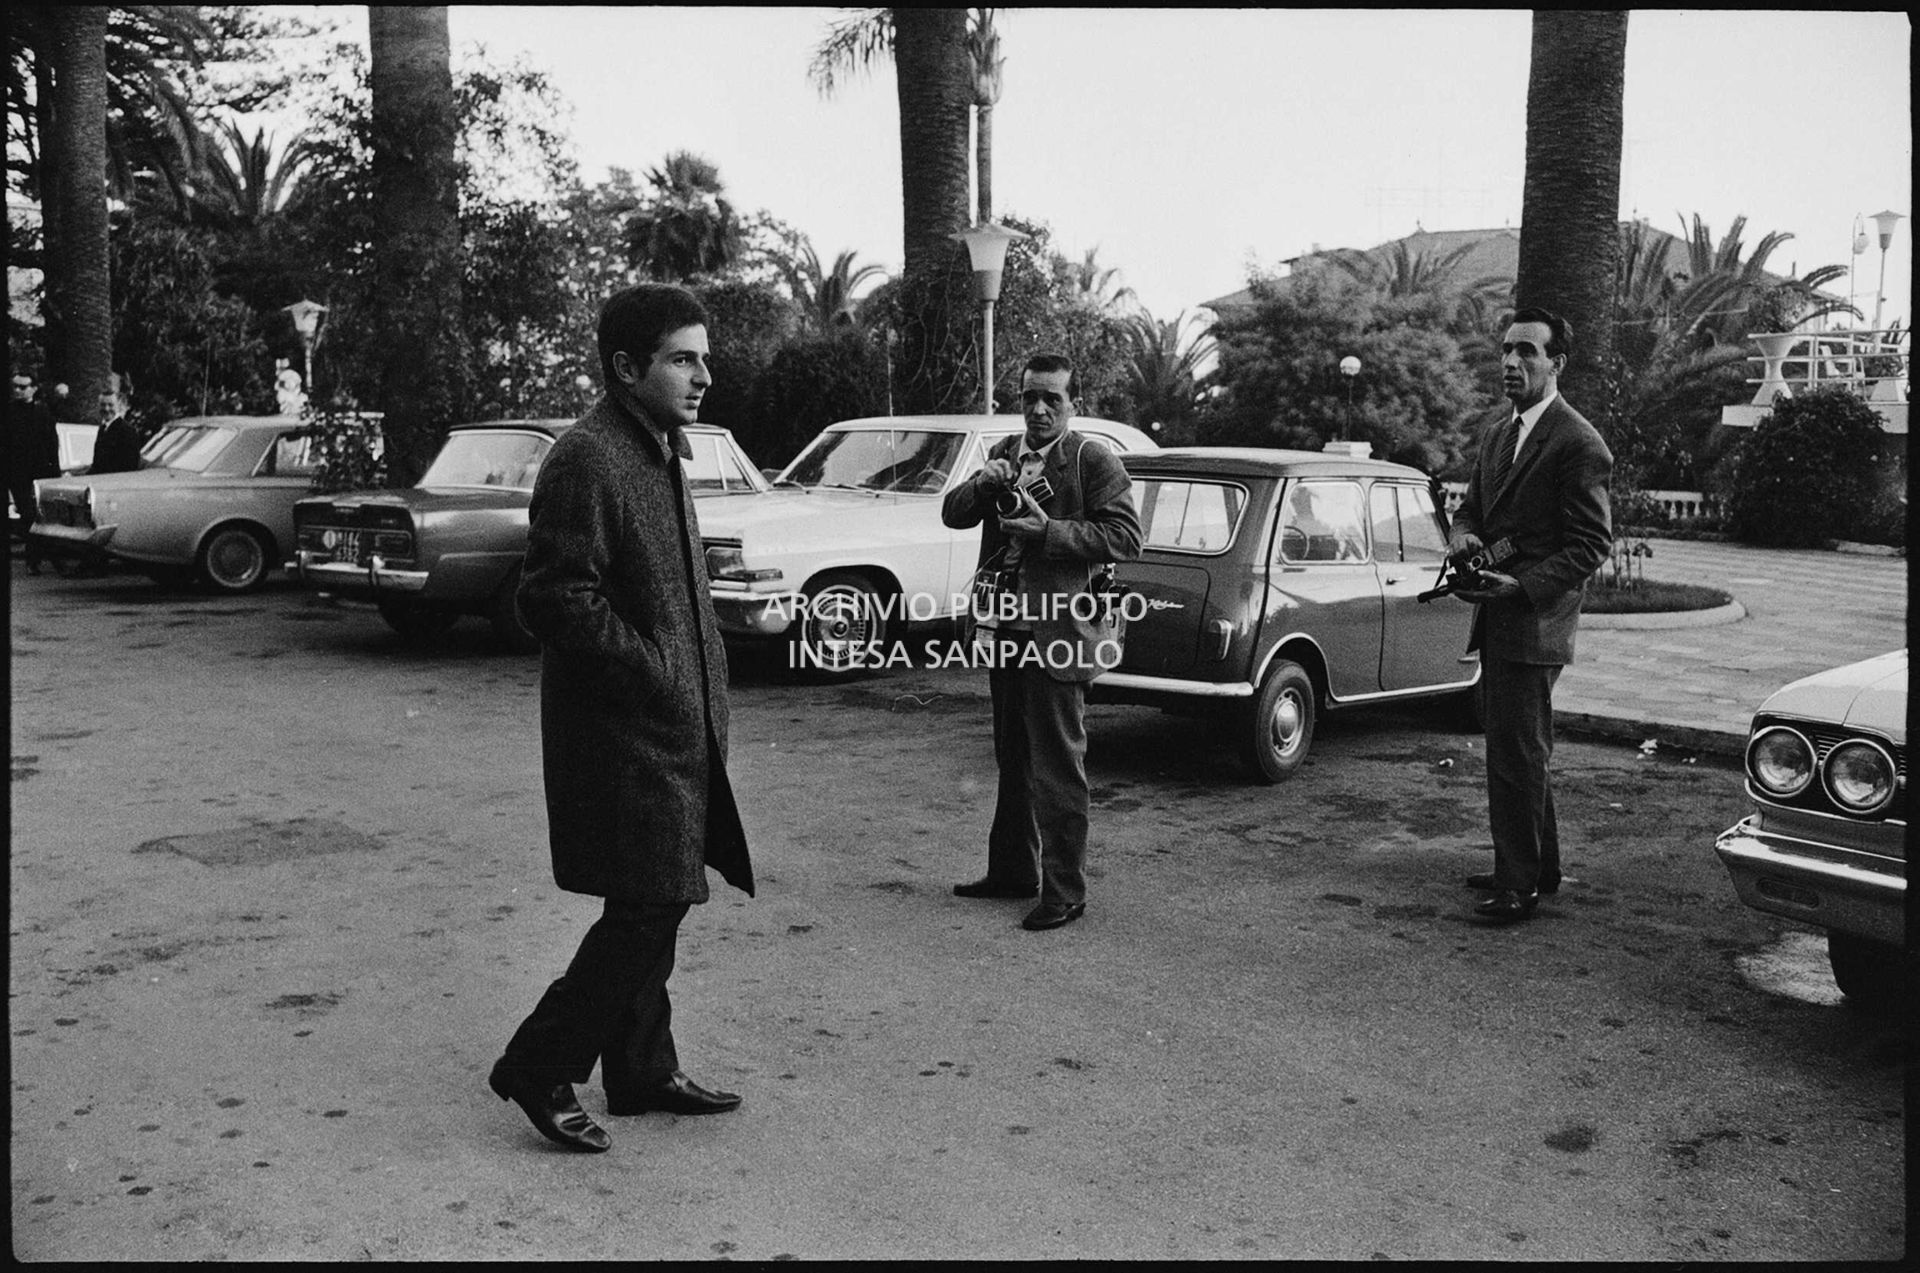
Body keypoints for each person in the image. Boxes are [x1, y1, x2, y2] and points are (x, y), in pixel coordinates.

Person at [487, 283, 753, 1154]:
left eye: (703, 356)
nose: (703, 374)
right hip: (623, 733)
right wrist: (657, 671)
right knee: (650, 902)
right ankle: (539, 1060)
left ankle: (639, 1068)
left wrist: (688, 679)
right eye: (683, 358)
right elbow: (553, 597)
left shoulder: (659, 447)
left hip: (670, 727)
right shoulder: (588, 457)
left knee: (657, 895)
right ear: (626, 367)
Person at [942, 353, 1142, 932]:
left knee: (1057, 766)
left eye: (1052, 398)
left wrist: (1048, 533)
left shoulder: (1091, 459)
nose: (1038, 408)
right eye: (1029, 396)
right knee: (1012, 758)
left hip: (1059, 633)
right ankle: (1011, 871)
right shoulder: (1004, 454)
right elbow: (953, 515)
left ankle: (1065, 892)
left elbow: (1126, 538)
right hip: (1005, 628)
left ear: (1072, 404)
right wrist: (983, 483)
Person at [1447, 307, 1613, 925]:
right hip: (1498, 617)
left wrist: (1519, 586)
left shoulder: (1577, 442)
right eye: (1506, 352)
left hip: (1535, 623)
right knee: (1517, 748)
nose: (1511, 363)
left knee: (1517, 752)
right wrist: (1463, 537)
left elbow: (1591, 544)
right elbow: (1470, 511)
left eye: (1527, 353)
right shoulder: (1499, 434)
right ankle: (1533, 867)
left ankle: (1518, 887)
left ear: (1556, 364)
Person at [8, 373, 60, 574]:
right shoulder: (10, 413)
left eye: (23, 386)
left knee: (41, 517)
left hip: (40, 476)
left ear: (33, 388)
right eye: (16, 386)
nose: (18, 390)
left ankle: (39, 558)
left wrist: (53, 475)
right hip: (18, 477)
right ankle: (35, 560)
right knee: (29, 517)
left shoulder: (43, 413)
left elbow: (52, 446)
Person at [88, 373, 142, 474]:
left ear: (118, 405)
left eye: (110, 405)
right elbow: (97, 465)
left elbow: (130, 467)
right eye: (103, 405)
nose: (106, 409)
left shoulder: (127, 431)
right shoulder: (102, 429)